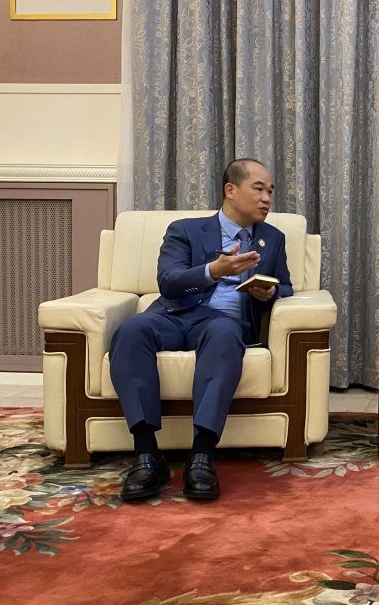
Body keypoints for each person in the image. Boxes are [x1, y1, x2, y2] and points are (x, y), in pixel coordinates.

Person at [110, 158, 293, 502]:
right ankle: (147, 454)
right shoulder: (186, 230)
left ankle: (202, 455)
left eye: (270, 191)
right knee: (131, 330)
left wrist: (270, 293)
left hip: (222, 322)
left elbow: (286, 285)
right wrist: (214, 270)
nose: (267, 198)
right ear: (230, 190)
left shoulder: (272, 238)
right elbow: (168, 281)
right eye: (258, 189)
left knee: (224, 334)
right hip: (173, 315)